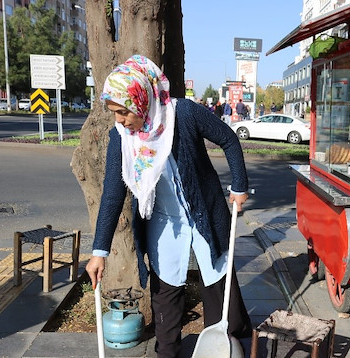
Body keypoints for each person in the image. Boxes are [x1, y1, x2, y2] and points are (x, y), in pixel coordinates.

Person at [86, 55, 252, 358]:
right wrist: (99, 252)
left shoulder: (183, 113)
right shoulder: (120, 138)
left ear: (141, 100)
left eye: (123, 112)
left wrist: (239, 187)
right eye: (114, 113)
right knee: (165, 294)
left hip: (204, 210)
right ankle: (167, 353)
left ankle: (230, 345)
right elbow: (112, 195)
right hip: (163, 220)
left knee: (220, 286)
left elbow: (228, 139)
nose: (120, 120)